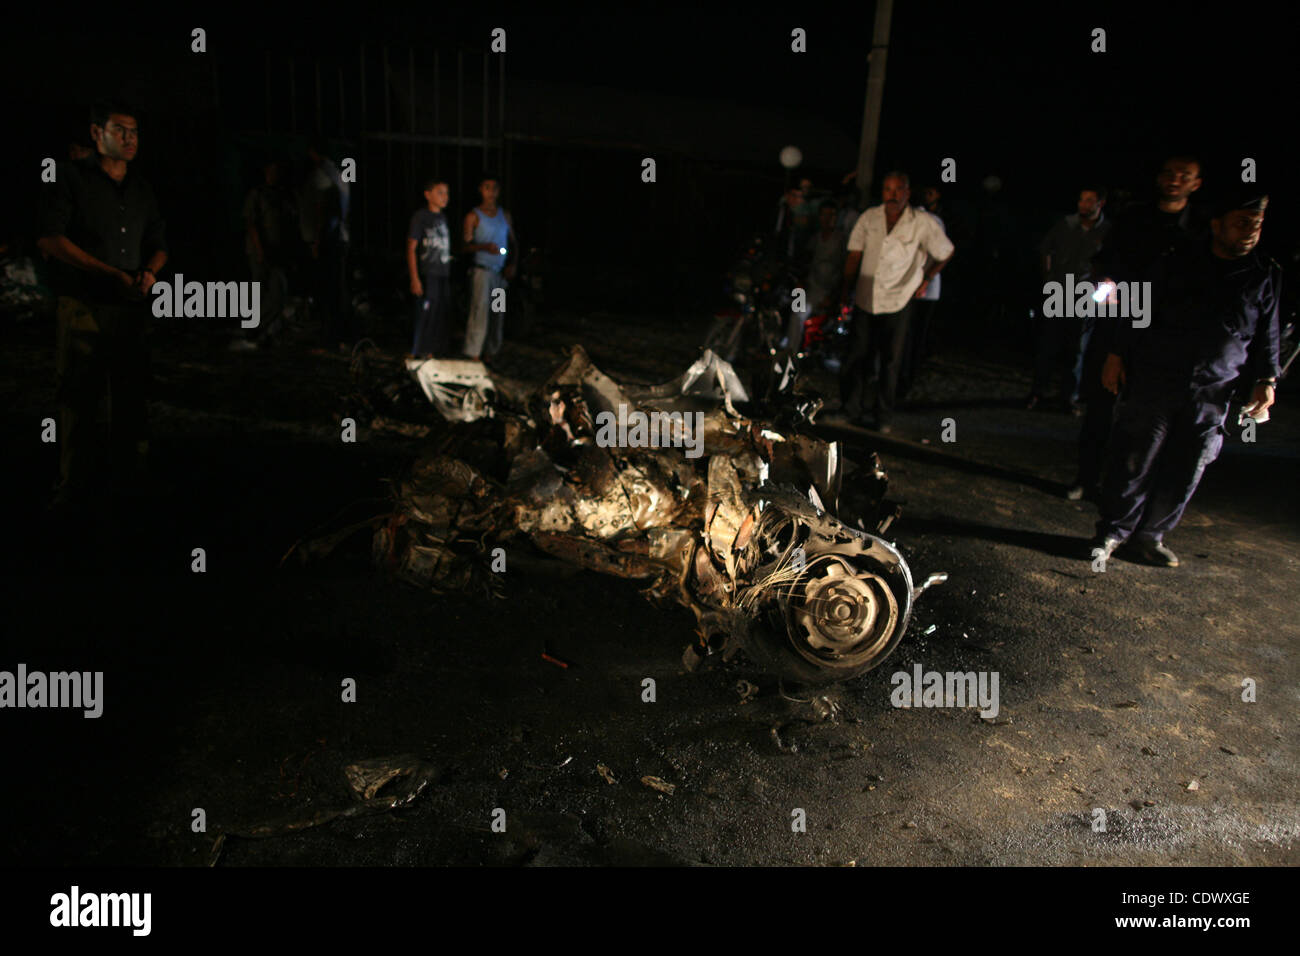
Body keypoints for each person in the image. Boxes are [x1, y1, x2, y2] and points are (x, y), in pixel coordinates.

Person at [1090, 191, 1280, 568]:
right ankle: (1113, 531)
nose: (1249, 233)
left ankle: (1148, 537)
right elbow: (1138, 308)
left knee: (1188, 465)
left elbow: (1267, 332)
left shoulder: (1264, 274)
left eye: (1256, 226)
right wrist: (1117, 353)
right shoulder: (1178, 261)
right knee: (1134, 458)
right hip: (1157, 377)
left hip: (1215, 388)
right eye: (1241, 223)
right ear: (1216, 225)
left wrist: (1267, 379)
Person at [37, 100, 167, 515]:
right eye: (120, 130)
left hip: (130, 309)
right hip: (83, 306)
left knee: (132, 396)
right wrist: (107, 272)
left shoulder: (141, 188)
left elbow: (160, 242)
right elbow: (49, 239)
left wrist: (150, 272)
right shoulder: (71, 179)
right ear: (97, 133)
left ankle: (130, 484)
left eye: (134, 132)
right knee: (79, 397)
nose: (129, 139)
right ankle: (74, 487)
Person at [1067, 156, 1207, 500]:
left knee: (1146, 411)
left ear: (1195, 184)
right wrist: (1106, 283)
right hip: (1119, 317)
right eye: (1169, 173)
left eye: (1184, 176)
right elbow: (1106, 259)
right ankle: (1086, 478)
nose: (1175, 180)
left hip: (1165, 332)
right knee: (1101, 402)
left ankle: (1126, 487)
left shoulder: (1200, 228)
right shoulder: (1134, 217)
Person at [838, 172, 954, 432]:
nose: (892, 194)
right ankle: (850, 409)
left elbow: (945, 251)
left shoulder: (921, 222)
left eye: (897, 189)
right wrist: (846, 287)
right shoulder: (869, 218)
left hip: (899, 298)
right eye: (887, 189)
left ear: (907, 193)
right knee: (857, 355)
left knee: (891, 360)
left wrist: (927, 277)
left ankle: (883, 416)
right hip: (866, 296)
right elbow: (854, 254)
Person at [1029, 186, 1112, 411]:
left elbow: (1110, 263)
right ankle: (1038, 391)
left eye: (1089, 200)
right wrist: (1048, 279)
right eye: (1081, 200)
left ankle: (1069, 396)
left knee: (1077, 348)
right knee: (1048, 344)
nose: (1083, 204)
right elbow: (1046, 249)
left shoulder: (1106, 230)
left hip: (1086, 294)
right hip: (1059, 290)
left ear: (1100, 203)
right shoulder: (1066, 225)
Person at [898, 186, 951, 399]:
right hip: (909, 285)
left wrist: (926, 278)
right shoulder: (915, 218)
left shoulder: (933, 221)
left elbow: (943, 253)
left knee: (916, 336)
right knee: (905, 335)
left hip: (925, 289)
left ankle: (907, 380)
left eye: (932, 192)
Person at [239, 159, 296, 349]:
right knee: (261, 291)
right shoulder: (258, 195)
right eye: (271, 171)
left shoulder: (279, 195)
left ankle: (262, 329)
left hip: (276, 252)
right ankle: (255, 330)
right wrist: (259, 250)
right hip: (261, 252)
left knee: (277, 291)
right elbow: (251, 224)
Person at [462, 174, 517, 361]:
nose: (491, 192)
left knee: (497, 312)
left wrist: (512, 264)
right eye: (487, 187)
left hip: (499, 274)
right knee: (480, 311)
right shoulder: (473, 216)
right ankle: (474, 352)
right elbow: (465, 245)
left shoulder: (504, 215)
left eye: (494, 188)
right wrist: (483, 247)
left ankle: (491, 351)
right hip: (482, 272)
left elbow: (513, 242)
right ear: (481, 190)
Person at [303, 140, 351, 350]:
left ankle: (330, 338)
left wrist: (316, 240)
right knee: (336, 290)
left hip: (329, 240)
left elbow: (323, 208)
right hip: (338, 238)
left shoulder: (321, 175)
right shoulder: (338, 174)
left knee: (328, 291)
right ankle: (338, 337)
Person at [786, 201, 846, 349]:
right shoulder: (815, 238)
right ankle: (789, 352)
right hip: (810, 288)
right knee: (796, 314)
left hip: (827, 291)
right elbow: (804, 262)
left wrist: (832, 296)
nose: (828, 218)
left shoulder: (840, 240)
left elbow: (844, 271)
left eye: (832, 215)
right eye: (825, 214)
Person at [406, 178, 453, 359]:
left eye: (446, 193)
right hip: (428, 273)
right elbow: (411, 248)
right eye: (440, 192)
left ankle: (432, 351)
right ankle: (416, 351)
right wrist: (415, 278)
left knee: (439, 313)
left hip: (442, 273)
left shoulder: (443, 218)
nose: (445, 197)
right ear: (428, 195)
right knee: (425, 312)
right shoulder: (421, 217)